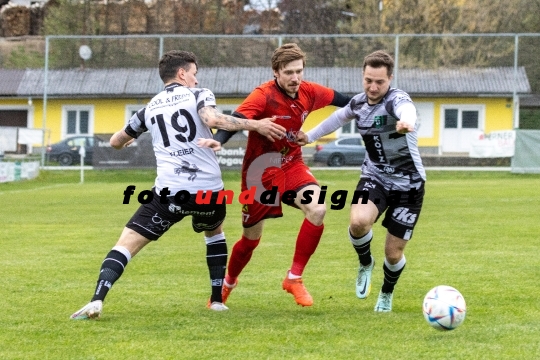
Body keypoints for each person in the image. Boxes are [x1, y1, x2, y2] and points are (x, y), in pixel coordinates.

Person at [70, 50, 286, 319]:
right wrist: (256, 125)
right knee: (214, 232)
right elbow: (213, 120)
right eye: (194, 74)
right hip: (208, 191)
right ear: (182, 73)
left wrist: (128, 139)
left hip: (170, 194)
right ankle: (217, 300)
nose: (196, 80)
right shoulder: (199, 94)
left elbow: (115, 141)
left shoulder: (148, 109)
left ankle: (96, 300)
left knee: (126, 244)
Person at [212, 43, 351, 307]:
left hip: (291, 163)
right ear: (276, 72)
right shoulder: (263, 95)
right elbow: (236, 118)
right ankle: (228, 283)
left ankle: (294, 278)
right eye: (289, 72)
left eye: (299, 71)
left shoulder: (309, 91)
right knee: (250, 239)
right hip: (260, 171)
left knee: (318, 208)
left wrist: (378, 102)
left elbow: (345, 101)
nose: (295, 78)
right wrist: (219, 141)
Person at [296, 50, 426, 312]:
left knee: (393, 253)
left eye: (379, 81)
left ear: (390, 79)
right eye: (368, 80)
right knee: (357, 223)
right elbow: (336, 118)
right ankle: (365, 262)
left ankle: (386, 292)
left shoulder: (396, 100)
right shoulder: (358, 103)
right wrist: (308, 136)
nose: (373, 87)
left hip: (409, 186)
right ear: (362, 76)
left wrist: (406, 122)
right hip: (375, 177)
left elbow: (407, 109)